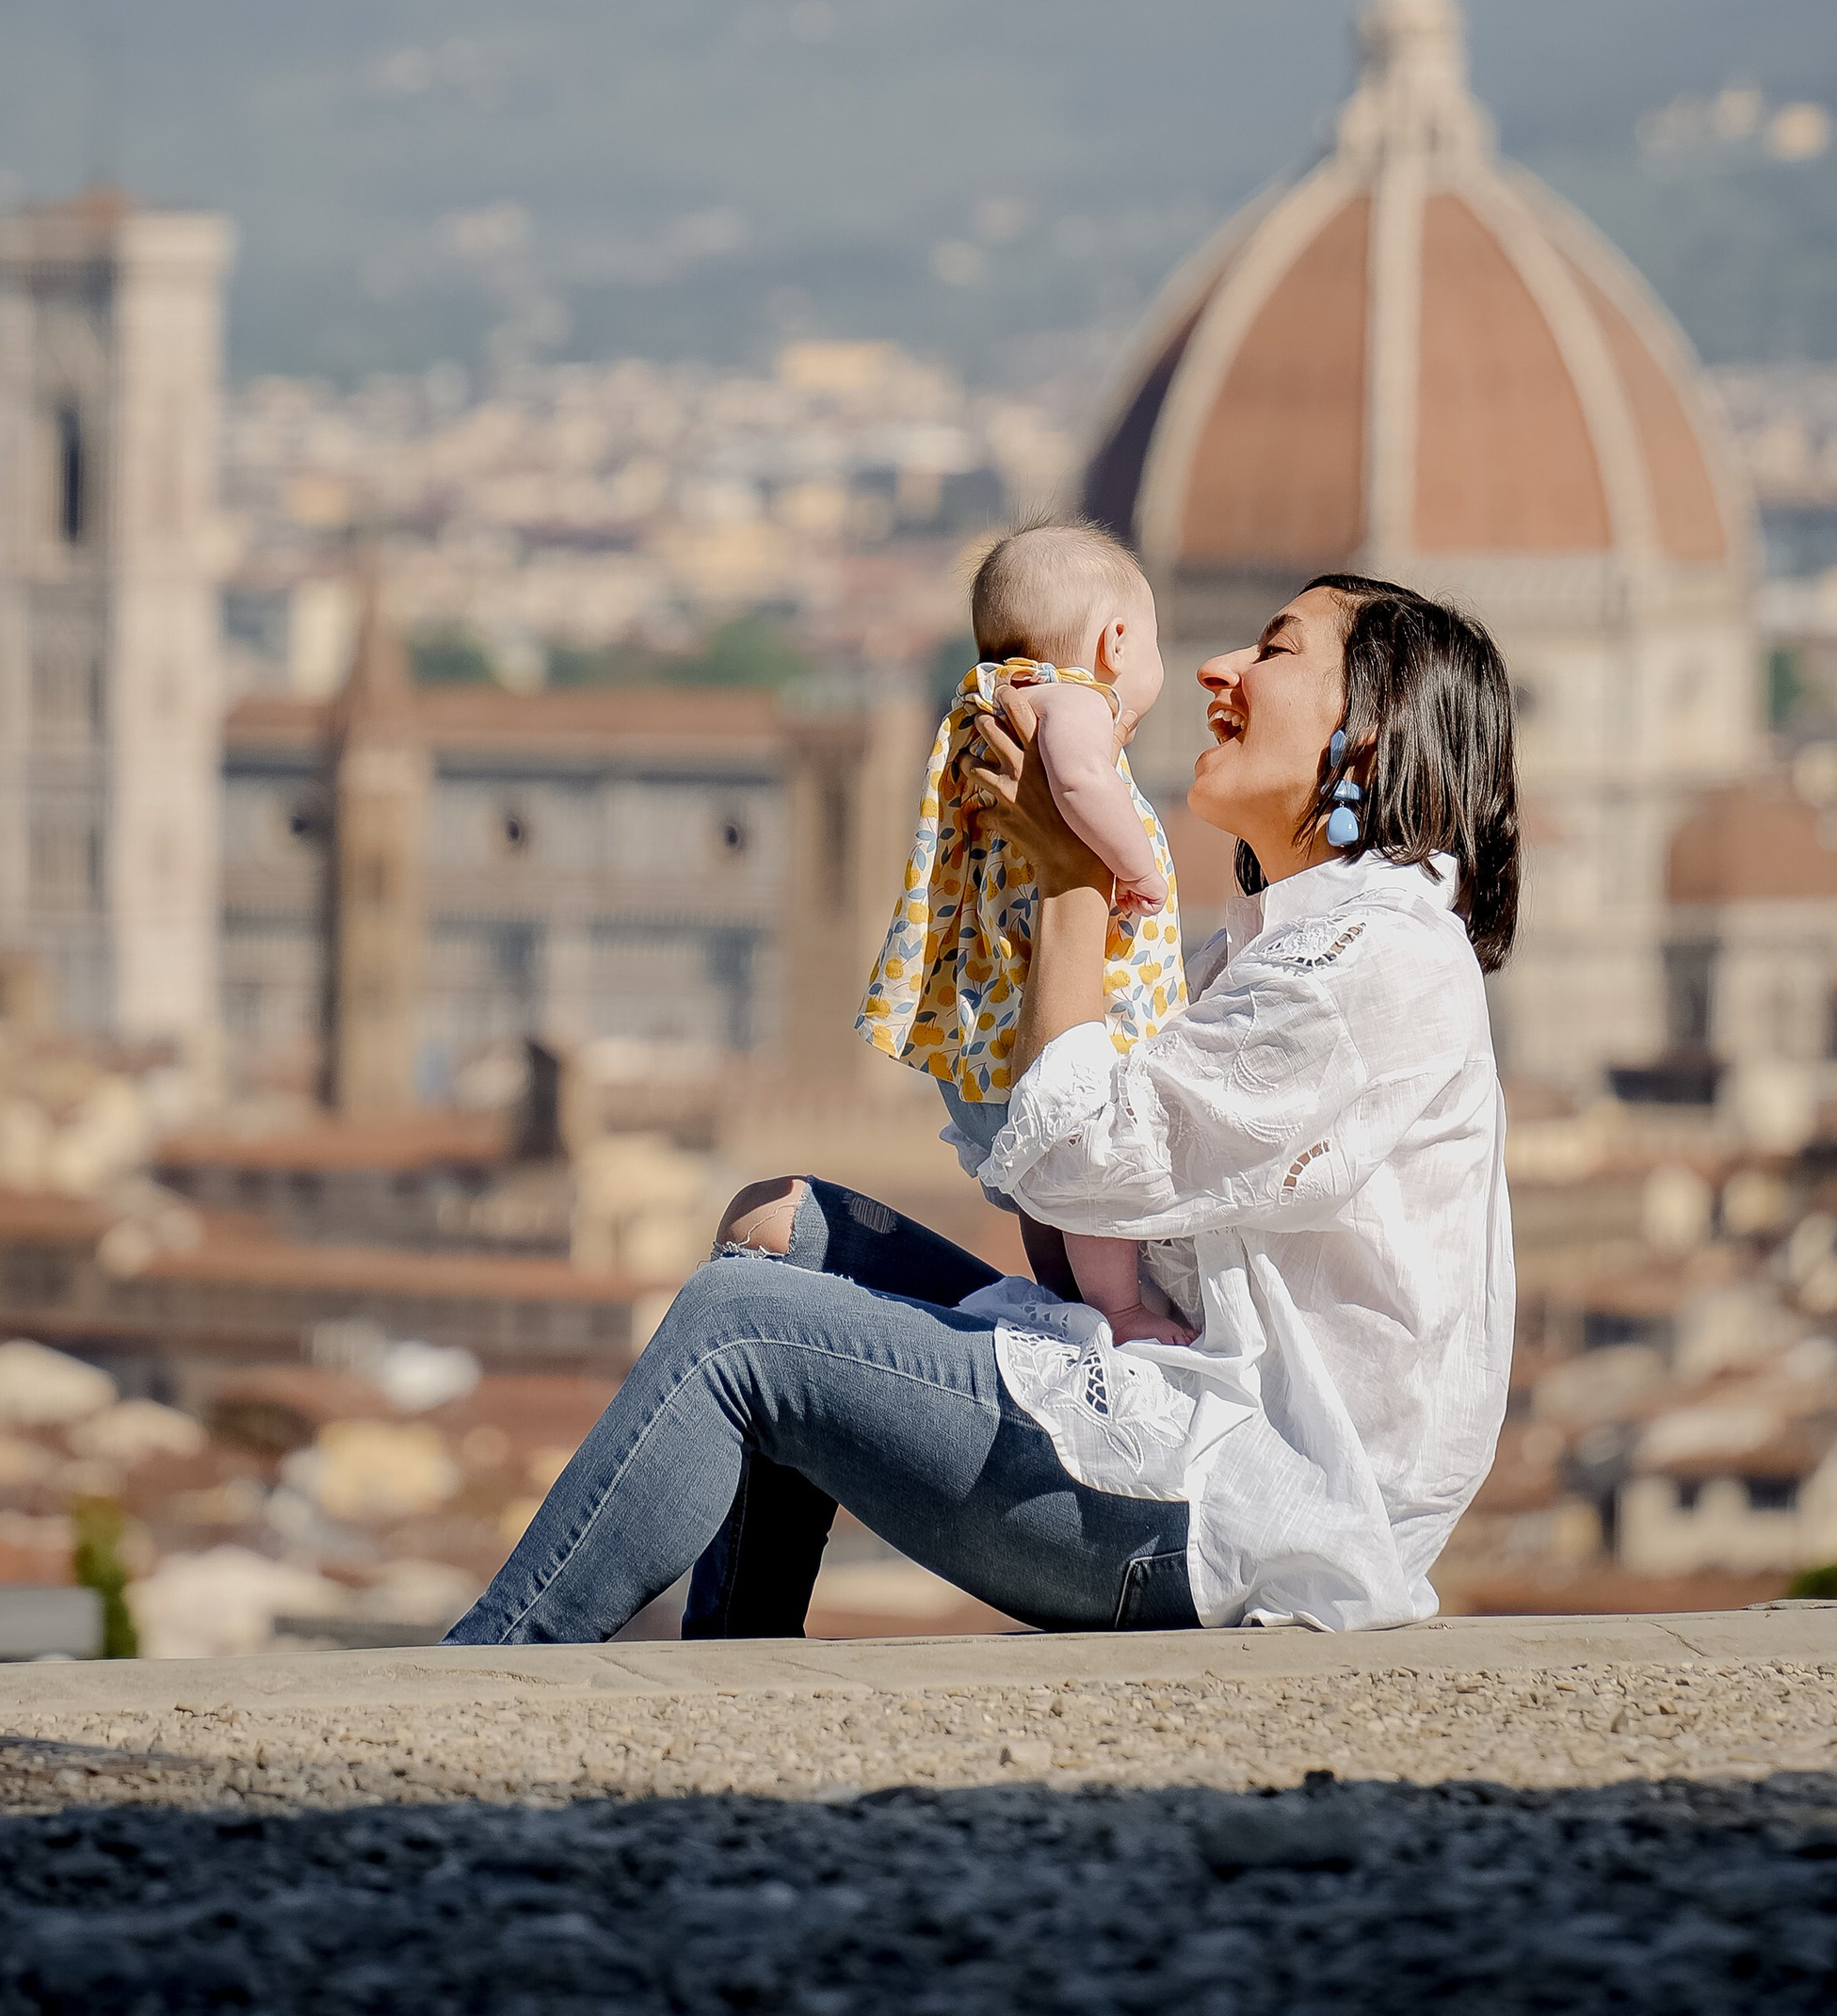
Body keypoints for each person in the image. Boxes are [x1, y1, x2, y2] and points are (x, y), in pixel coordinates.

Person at [443, 573, 1517, 1643]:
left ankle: (478, 1691)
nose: (1216, 669)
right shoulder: (1267, 951)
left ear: (1369, 732)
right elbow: (1076, 1227)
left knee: (736, 1329)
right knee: (774, 1229)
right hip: (1179, 1419)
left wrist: (1069, 879)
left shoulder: (1367, 957)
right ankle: (731, 1671)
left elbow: (1080, 1159)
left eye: (1273, 652)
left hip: (1238, 1506)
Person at [858, 520, 1193, 1347]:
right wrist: (1135, 866)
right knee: (1092, 1175)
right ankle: (1117, 1310)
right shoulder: (1073, 701)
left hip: (997, 1019)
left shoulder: (989, 703)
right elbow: (1079, 780)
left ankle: (1065, 1295)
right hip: (1088, 1015)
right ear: (1117, 642)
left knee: (1045, 1184)